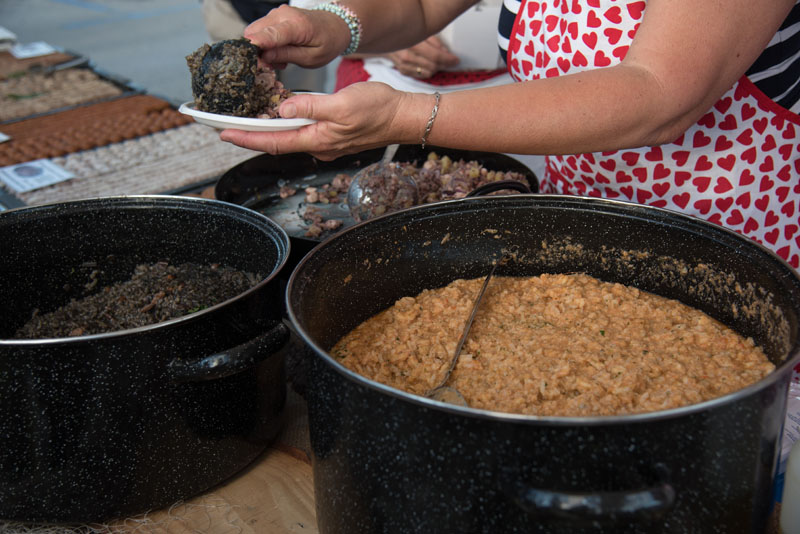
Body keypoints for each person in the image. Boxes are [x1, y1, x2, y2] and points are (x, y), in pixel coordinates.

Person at [219, 0, 800, 269]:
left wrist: (403, 116)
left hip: (730, 244)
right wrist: (328, 24)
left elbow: (657, 93)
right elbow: (419, 6)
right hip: (578, 224)